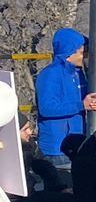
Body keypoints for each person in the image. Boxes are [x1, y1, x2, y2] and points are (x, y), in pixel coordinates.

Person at [35, 27, 89, 166]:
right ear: (70, 52)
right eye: (82, 52)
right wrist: (81, 105)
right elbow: (47, 108)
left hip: (78, 142)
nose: (84, 57)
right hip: (57, 148)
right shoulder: (49, 75)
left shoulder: (79, 74)